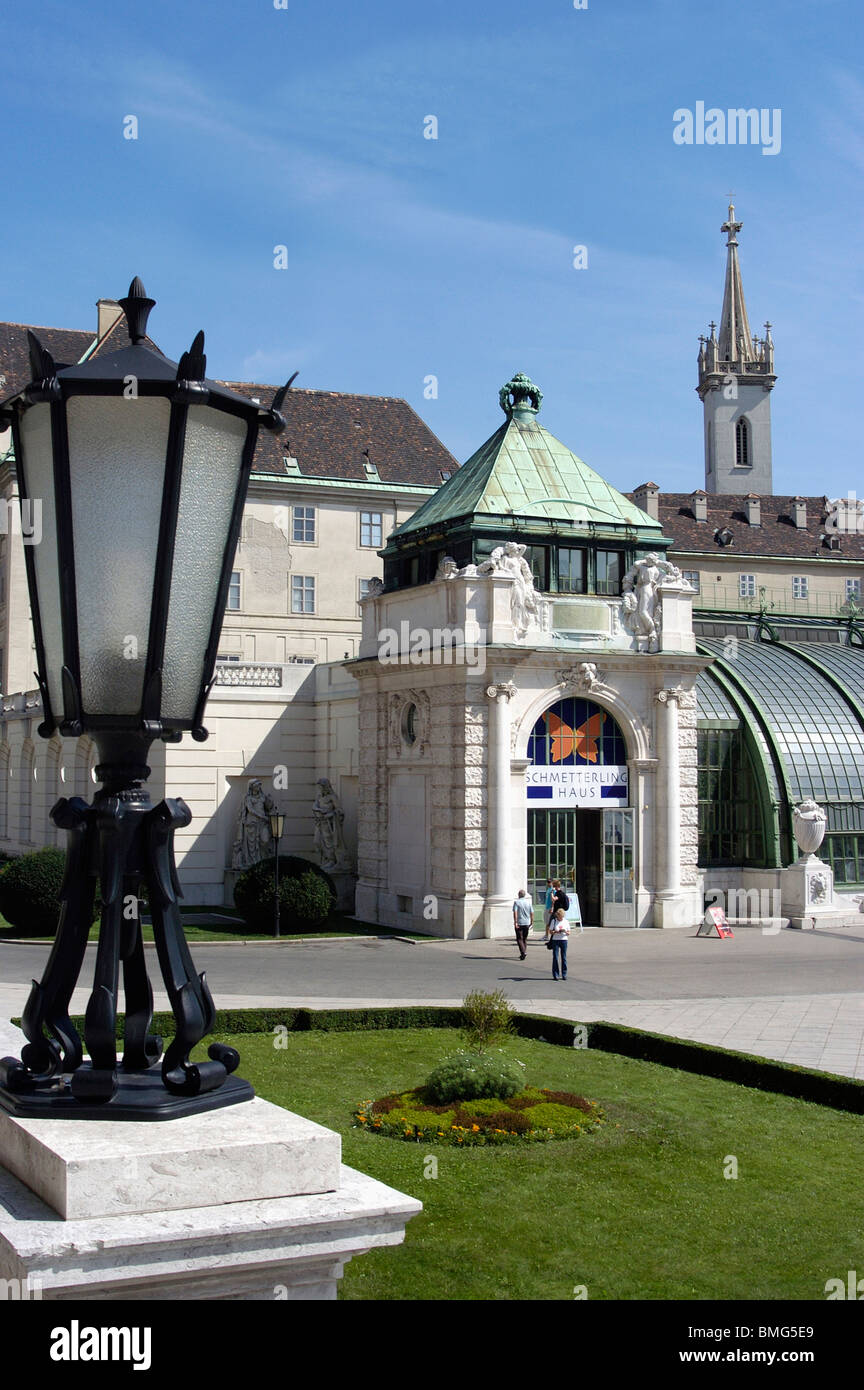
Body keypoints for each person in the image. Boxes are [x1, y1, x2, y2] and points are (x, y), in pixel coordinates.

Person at [547, 907, 571, 981]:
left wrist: (565, 932)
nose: (560, 918)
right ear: (557, 915)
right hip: (555, 940)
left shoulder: (566, 921)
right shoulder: (554, 921)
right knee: (555, 957)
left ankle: (564, 974)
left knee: (564, 957)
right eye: (559, 916)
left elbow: (569, 933)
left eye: (562, 916)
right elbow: (550, 931)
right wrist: (555, 932)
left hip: (564, 940)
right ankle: (556, 974)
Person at [512, 889, 533, 961]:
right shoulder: (528, 903)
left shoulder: (517, 902)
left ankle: (523, 952)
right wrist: (532, 921)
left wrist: (515, 922)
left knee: (519, 938)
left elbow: (515, 912)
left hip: (520, 922)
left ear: (519, 895)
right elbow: (532, 912)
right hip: (527, 922)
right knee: (524, 938)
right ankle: (523, 953)